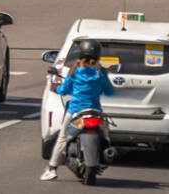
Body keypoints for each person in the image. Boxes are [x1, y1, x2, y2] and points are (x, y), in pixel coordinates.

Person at [41, 40, 115, 181]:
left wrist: (56, 87)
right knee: (106, 137)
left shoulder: (74, 70)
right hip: (95, 111)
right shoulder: (100, 72)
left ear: (80, 53)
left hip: (75, 111)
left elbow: (65, 90)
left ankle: (52, 169)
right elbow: (110, 91)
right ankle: (104, 156)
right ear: (98, 55)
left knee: (62, 138)